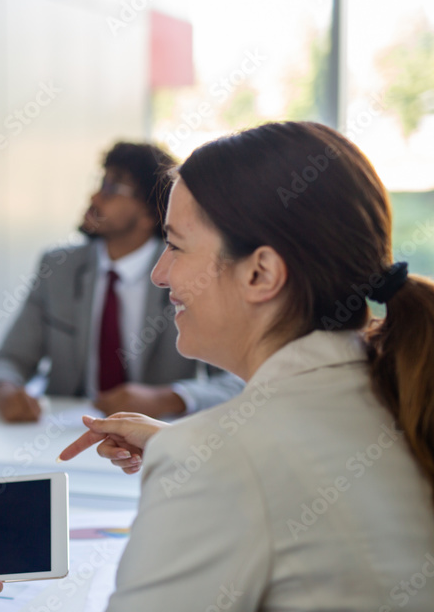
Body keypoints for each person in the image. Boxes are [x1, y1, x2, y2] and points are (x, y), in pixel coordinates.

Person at [60, 122, 434, 609]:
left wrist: (201, 464)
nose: (159, 274)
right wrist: (196, 455)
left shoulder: (221, 464)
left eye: (175, 246)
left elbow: (253, 472)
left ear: (260, 273)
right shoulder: (400, 395)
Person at [0, 142, 243, 422]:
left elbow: (237, 382)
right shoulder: (58, 268)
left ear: (150, 214)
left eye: (112, 188)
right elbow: (9, 359)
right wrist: (4, 390)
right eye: (100, 182)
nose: (95, 196)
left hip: (155, 439)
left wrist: (168, 398)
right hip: (66, 433)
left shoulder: (185, 273)